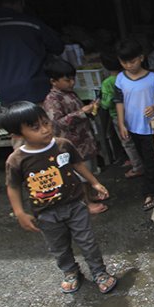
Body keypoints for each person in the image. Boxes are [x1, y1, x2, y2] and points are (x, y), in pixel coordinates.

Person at [0, 101, 117, 294]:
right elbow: (12, 187)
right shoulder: (16, 160)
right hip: (46, 213)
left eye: (46, 122)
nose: (45, 129)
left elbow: (78, 165)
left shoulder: (63, 145)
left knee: (88, 241)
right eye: (35, 127)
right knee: (58, 247)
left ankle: (99, 272)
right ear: (18, 134)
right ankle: (70, 271)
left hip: (75, 205)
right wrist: (19, 212)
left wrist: (95, 183)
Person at [0, 0, 64, 105]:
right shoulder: (31, 23)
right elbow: (57, 47)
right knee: (41, 121)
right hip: (35, 86)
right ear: (20, 3)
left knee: (18, 121)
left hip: (4, 88)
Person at [42, 57, 106, 215]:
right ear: (53, 81)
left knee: (88, 171)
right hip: (72, 144)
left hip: (84, 141)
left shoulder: (69, 93)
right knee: (80, 176)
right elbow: (57, 122)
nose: (71, 82)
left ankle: (90, 195)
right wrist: (81, 112)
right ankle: (86, 204)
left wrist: (89, 110)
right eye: (67, 80)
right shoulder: (52, 100)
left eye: (72, 79)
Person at [114, 40, 154, 211]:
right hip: (133, 127)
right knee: (145, 160)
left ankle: (150, 192)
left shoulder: (152, 78)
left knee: (151, 160)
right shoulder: (120, 78)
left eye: (132, 61)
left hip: (151, 127)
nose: (128, 65)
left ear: (141, 58)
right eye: (124, 62)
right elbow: (119, 102)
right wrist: (122, 123)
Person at [100, 54, 144, 179]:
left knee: (127, 142)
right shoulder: (128, 76)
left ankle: (138, 167)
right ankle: (142, 162)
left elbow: (107, 103)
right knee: (138, 140)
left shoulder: (108, 82)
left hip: (118, 116)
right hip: (134, 114)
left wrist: (99, 103)